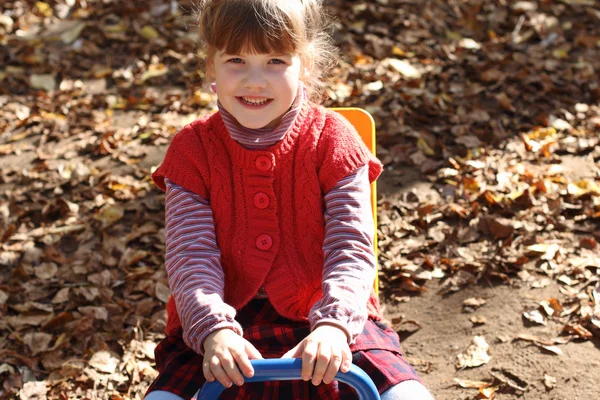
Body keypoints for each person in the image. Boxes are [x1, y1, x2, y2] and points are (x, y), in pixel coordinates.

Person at [145, 0, 434, 399]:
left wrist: (333, 325)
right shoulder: (192, 151)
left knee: (406, 395)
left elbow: (351, 247)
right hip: (223, 322)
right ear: (210, 66)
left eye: (276, 61)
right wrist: (213, 330)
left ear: (306, 65)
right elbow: (190, 255)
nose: (255, 81)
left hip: (331, 310)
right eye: (236, 60)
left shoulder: (333, 139)